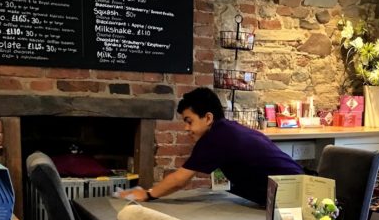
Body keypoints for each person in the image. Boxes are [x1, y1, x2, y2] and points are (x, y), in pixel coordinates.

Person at [121, 87, 303, 205]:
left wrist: (148, 194)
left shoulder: (217, 138)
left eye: (188, 121)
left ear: (208, 118)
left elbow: (180, 179)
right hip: (295, 188)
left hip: (293, 197)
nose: (186, 128)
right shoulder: (226, 130)